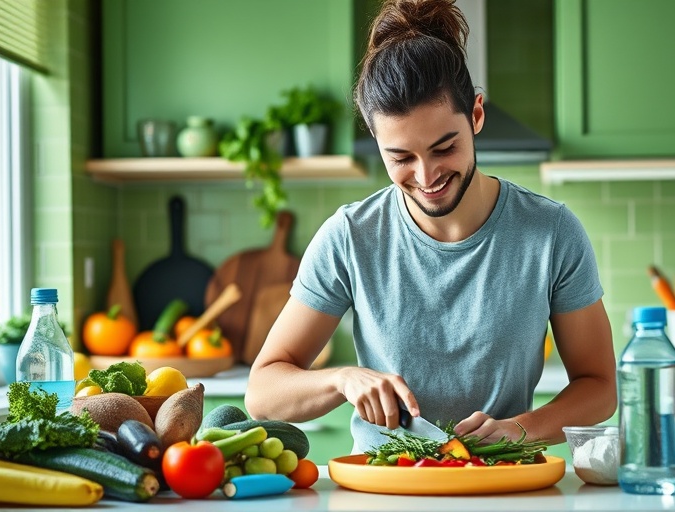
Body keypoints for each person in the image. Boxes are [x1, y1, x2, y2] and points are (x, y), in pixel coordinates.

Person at [245, 0, 616, 454]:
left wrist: (522, 427)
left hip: (504, 486)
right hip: (387, 487)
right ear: (375, 141)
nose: (426, 177)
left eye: (444, 148)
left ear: (476, 115)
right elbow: (262, 393)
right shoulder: (350, 237)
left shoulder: (551, 232)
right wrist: (343, 379)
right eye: (400, 158)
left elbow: (599, 386)